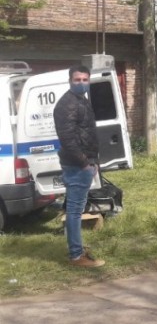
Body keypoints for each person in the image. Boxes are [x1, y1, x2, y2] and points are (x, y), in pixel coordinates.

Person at [53, 64, 104, 268]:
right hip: (76, 165)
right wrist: (84, 163)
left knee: (77, 209)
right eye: (77, 80)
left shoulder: (81, 100)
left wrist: (94, 161)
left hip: (85, 163)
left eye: (84, 80)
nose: (81, 83)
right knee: (74, 211)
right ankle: (76, 256)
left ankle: (77, 249)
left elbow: (88, 134)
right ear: (70, 81)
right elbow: (68, 140)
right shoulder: (67, 104)